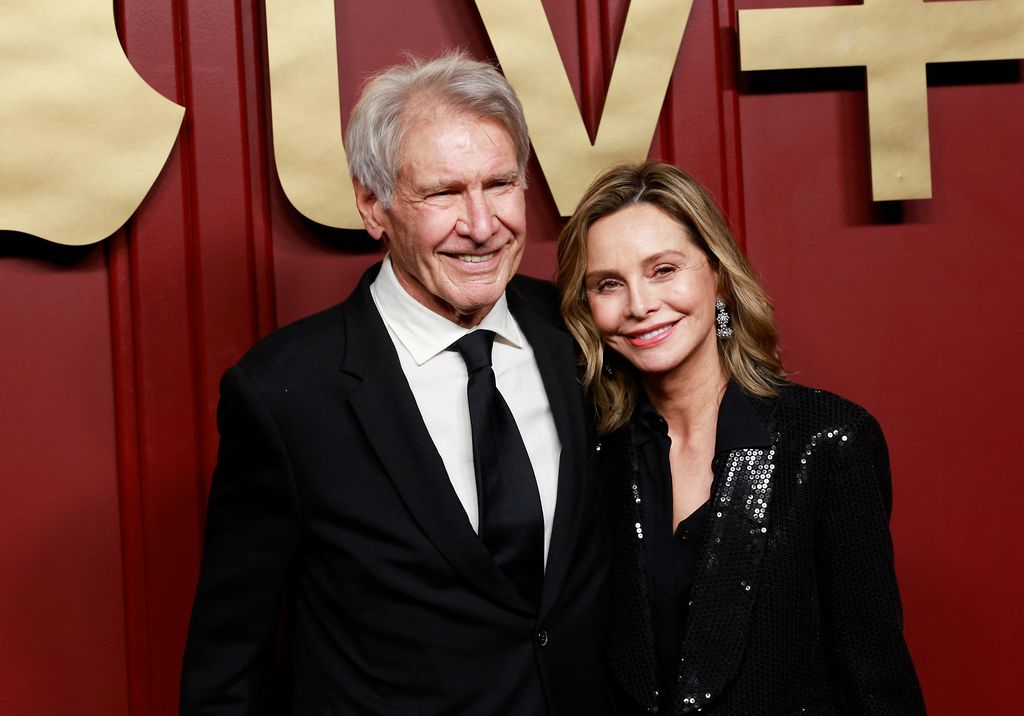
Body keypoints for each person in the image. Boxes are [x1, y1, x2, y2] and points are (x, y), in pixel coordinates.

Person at [180, 52, 612, 715]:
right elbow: (228, 661)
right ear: (372, 205)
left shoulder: (579, 331)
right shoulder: (285, 393)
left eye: (500, 183)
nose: (481, 224)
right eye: (443, 193)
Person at [556, 161, 926, 715]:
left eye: (663, 270)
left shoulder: (827, 441)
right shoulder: (590, 453)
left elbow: (875, 678)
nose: (638, 305)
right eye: (608, 284)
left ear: (718, 275)